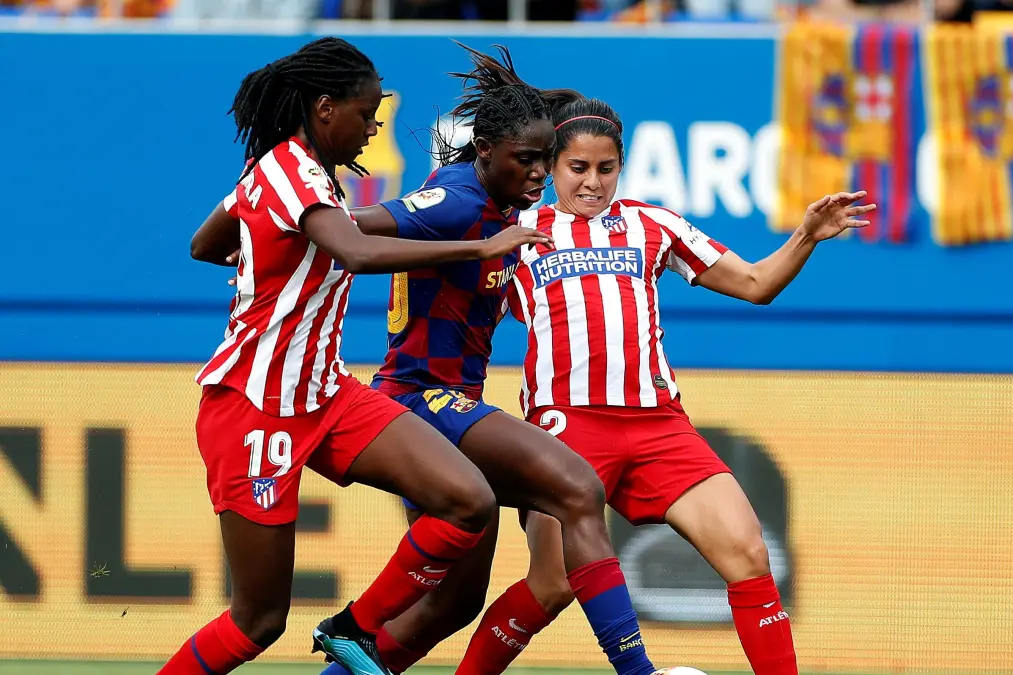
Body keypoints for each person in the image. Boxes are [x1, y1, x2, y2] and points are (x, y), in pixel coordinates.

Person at [369, 93, 875, 675]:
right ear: (551, 166)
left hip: (659, 425)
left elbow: (757, 284)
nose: (592, 182)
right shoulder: (515, 228)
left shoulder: (653, 224)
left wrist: (806, 234)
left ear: (621, 166)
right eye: (577, 167)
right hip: (566, 428)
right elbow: (454, 300)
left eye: (605, 168)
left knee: (749, 553)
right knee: (552, 583)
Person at [166, 37, 551, 675]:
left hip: (328, 393)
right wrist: (479, 248)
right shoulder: (291, 171)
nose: (373, 128)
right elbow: (358, 253)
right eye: (366, 113)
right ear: (325, 109)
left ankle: (353, 629)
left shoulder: (297, 175)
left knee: (469, 499)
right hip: (255, 406)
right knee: (258, 621)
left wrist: (260, 252)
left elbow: (206, 245)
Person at [285, 43, 658, 675]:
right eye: (528, 159)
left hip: (448, 402)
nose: (540, 174)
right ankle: (637, 671)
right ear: (485, 150)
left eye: (545, 159)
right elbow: (354, 224)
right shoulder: (459, 203)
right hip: (419, 399)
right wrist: (274, 229)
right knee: (578, 488)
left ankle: (343, 658)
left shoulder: (501, 207)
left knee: (454, 602)